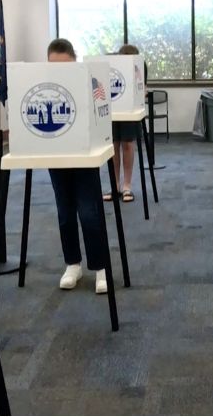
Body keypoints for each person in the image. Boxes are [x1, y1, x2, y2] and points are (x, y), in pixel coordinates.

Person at [46, 38, 109, 295]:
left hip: (84, 157)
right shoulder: (44, 86)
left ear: (75, 60)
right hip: (55, 156)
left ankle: (100, 266)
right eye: (54, 65)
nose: (60, 71)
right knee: (65, 212)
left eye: (65, 65)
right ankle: (73, 263)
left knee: (89, 212)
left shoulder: (88, 82)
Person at [106, 44, 140, 204]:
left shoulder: (139, 66)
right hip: (113, 111)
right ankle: (115, 185)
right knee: (113, 146)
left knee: (127, 145)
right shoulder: (111, 68)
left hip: (129, 111)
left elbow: (141, 86)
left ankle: (127, 185)